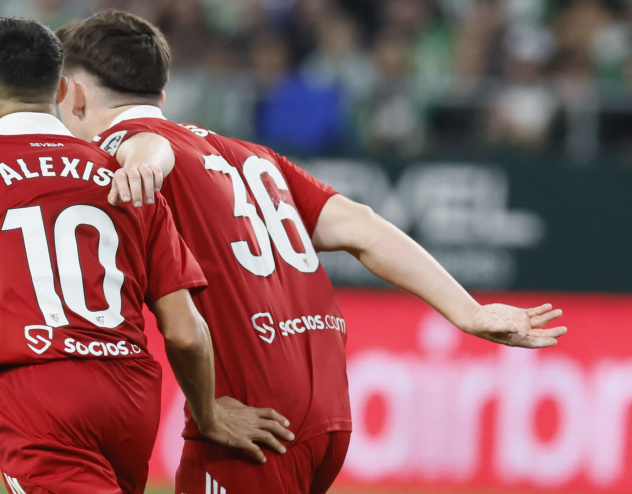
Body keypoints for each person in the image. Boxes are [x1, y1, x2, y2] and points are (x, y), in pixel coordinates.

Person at [55, 10, 567, 494]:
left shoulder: (124, 147)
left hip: (253, 418)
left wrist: (137, 155)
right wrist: (468, 311)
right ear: (161, 91)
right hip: (327, 415)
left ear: (72, 94)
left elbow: (144, 146)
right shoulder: (250, 155)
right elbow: (363, 227)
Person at [0, 17, 292, 494]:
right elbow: (186, 332)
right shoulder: (123, 176)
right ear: (62, 89)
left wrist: (37, 376)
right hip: (129, 394)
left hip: (36, 390)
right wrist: (208, 413)